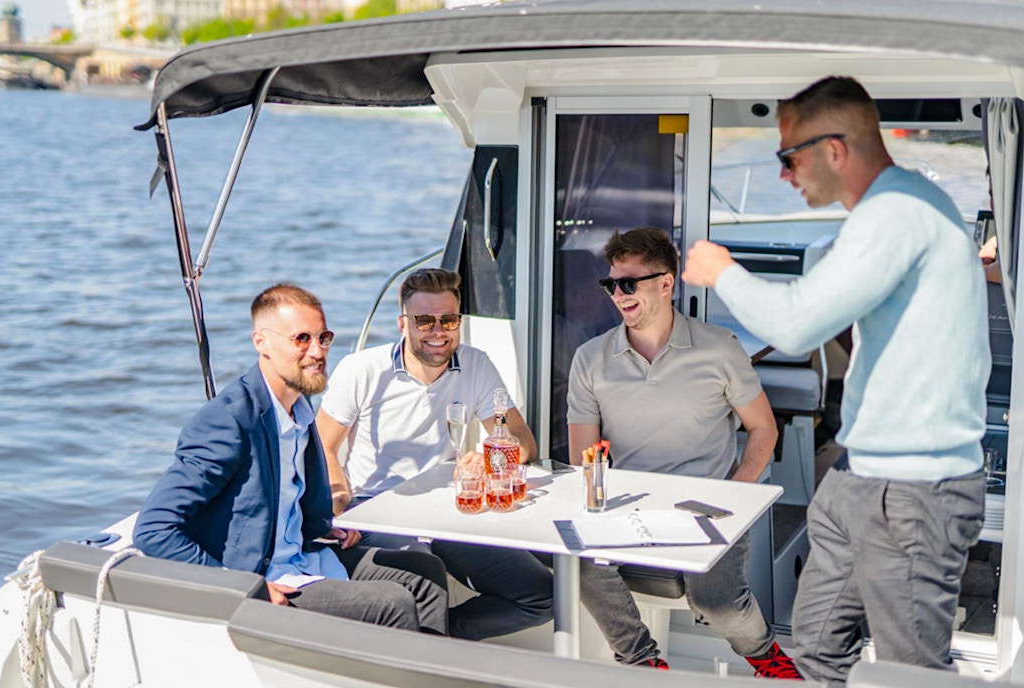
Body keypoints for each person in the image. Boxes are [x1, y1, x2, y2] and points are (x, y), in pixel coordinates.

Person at [682, 76, 989, 685]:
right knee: (817, 653)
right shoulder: (895, 211)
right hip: (860, 479)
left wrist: (723, 272)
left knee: (911, 674)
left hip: (915, 490)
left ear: (835, 150)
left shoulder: (895, 213)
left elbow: (796, 326)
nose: (783, 176)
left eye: (788, 157)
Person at [133, 284, 448, 634]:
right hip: (264, 579)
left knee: (425, 572)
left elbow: (281, 501)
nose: (317, 351)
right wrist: (241, 588)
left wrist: (325, 524)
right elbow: (155, 529)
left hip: (305, 556)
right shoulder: (228, 421)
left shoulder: (300, 407)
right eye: (301, 339)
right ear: (261, 343)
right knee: (392, 603)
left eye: (323, 337)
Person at [567, 227, 799, 678]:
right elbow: (584, 458)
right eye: (611, 284)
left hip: (709, 505)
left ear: (666, 283)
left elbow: (763, 430)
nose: (618, 294)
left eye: (629, 283)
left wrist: (736, 495)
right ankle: (644, 662)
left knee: (717, 602)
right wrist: (596, 508)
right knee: (574, 559)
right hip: (627, 505)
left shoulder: (720, 349)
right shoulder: (590, 359)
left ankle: (766, 654)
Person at [316, 268, 555, 641]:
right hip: (377, 512)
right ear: (402, 324)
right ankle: (431, 649)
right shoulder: (361, 370)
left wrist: (492, 457)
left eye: (448, 319)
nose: (438, 330)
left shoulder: (476, 365)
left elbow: (522, 440)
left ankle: (439, 640)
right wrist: (340, 504)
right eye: (424, 320)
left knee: (542, 596)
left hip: (448, 511)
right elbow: (323, 447)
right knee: (424, 578)